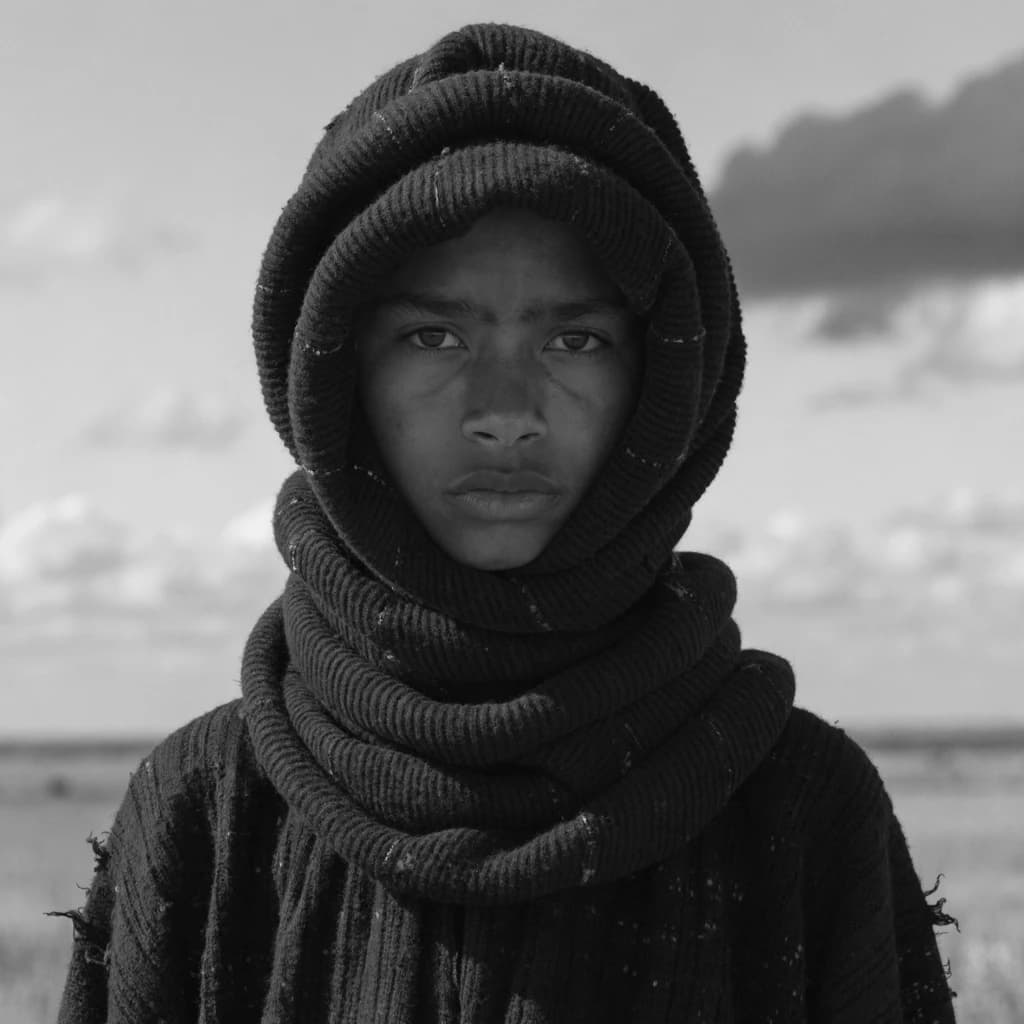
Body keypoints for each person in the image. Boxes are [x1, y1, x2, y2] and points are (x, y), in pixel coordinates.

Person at [55, 22, 958, 1023]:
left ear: (667, 376)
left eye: (574, 338)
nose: (504, 408)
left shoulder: (797, 809)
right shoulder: (207, 809)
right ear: (333, 370)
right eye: (431, 334)